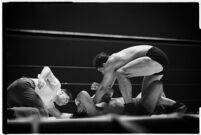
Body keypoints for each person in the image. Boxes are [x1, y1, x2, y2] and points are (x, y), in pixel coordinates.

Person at [92, 45, 174, 115]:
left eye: (101, 70)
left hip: (153, 56)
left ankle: (129, 108)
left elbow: (103, 88)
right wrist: (98, 91)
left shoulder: (110, 62)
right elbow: (107, 90)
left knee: (120, 73)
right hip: (157, 60)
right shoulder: (115, 65)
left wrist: (91, 102)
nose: (103, 73)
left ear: (104, 65)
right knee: (146, 97)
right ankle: (176, 106)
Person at [7, 66, 73, 119]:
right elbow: (47, 68)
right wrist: (41, 79)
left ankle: (11, 112)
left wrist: (76, 116)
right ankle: (13, 112)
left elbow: (59, 116)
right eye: (66, 99)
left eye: (66, 103)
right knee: (44, 113)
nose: (65, 103)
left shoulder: (50, 105)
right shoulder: (57, 86)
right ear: (61, 92)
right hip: (24, 85)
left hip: (11, 95)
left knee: (36, 113)